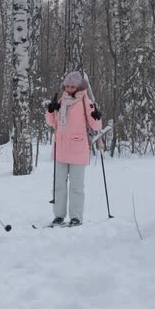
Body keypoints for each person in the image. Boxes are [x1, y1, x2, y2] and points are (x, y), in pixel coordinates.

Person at [45, 70, 103, 226]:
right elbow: (52, 123)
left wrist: (97, 116)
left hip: (78, 149)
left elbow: (95, 126)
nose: (69, 89)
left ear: (78, 87)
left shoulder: (86, 101)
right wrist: (50, 110)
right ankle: (58, 215)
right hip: (61, 148)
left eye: (72, 86)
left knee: (76, 186)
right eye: (67, 86)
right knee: (59, 185)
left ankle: (76, 216)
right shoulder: (61, 100)